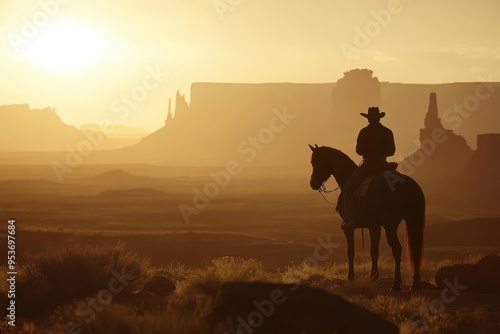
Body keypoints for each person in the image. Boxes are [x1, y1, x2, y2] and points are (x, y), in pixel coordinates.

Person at [342, 107, 396, 230]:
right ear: (379, 118)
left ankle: (350, 220)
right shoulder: (388, 132)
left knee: (348, 190)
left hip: (368, 165)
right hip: (383, 164)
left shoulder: (364, 132)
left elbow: (359, 150)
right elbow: (391, 151)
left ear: (369, 119)